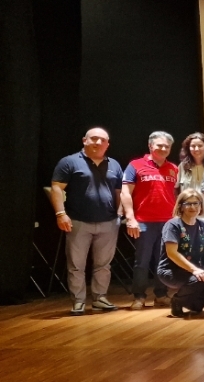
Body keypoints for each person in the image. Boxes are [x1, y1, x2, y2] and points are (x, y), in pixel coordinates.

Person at [50, 127, 123, 315]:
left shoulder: (114, 164)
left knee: (103, 265)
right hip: (78, 221)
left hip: (108, 221)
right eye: (94, 139)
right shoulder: (69, 162)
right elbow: (57, 188)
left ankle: (100, 299)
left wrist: (120, 214)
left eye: (103, 140)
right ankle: (79, 301)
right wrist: (60, 214)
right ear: (85, 140)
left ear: (108, 144)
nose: (98, 143)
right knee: (76, 265)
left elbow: (118, 192)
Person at [121, 131, 178, 310]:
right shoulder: (135, 165)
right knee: (142, 262)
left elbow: (177, 195)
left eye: (167, 146)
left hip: (168, 223)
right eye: (159, 145)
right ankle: (139, 296)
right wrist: (130, 218)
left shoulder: (174, 169)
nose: (163, 149)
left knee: (163, 261)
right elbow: (125, 193)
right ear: (150, 146)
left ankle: (161, 295)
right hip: (144, 221)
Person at [157, 189, 204, 318]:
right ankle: (177, 301)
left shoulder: (203, 225)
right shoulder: (173, 225)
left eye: (196, 203)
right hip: (170, 271)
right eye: (188, 204)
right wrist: (195, 270)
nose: (193, 207)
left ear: (201, 206)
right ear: (181, 206)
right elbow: (172, 253)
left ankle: (193, 305)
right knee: (198, 280)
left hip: (191, 271)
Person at [176, 133, 204, 220]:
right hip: (188, 215)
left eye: (200, 146)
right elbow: (176, 190)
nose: (196, 149)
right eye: (193, 146)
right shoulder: (182, 166)